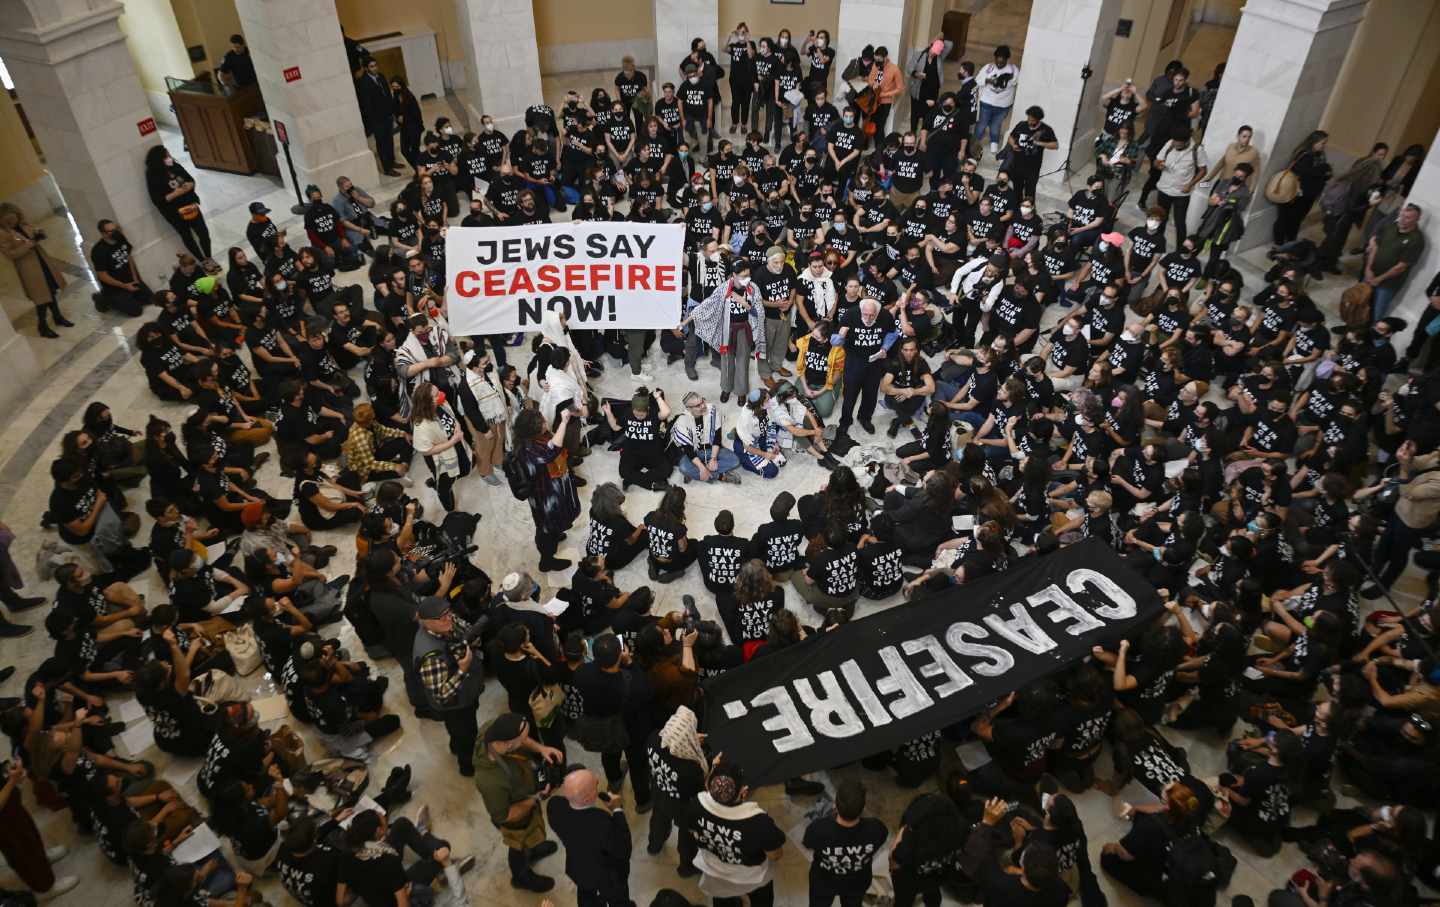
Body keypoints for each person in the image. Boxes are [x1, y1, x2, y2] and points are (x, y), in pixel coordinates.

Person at [474, 712, 565, 892]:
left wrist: (541, 749)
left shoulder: (493, 729)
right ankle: (521, 877)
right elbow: (503, 816)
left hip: (526, 794)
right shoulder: (490, 780)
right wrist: (536, 799)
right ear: (509, 744)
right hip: (516, 818)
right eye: (521, 740)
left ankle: (532, 849)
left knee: (530, 839)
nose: (526, 742)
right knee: (518, 845)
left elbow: (521, 739)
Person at [684, 759, 785, 907]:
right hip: (751, 878)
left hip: (714, 872)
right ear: (743, 792)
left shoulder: (694, 806)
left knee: (722, 899)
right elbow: (775, 855)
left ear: (708, 785)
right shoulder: (759, 823)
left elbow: (692, 832)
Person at [413, 596, 486, 775]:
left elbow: (466, 630)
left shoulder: (445, 624)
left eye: (448, 613)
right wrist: (462, 669)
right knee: (465, 734)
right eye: (441, 617)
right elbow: (442, 695)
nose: (449, 619)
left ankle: (456, 746)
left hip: (466, 693)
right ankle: (467, 767)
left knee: (460, 731)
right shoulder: (430, 656)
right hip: (455, 704)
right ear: (426, 622)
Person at [546, 768, 634, 907]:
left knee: (586, 895)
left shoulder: (555, 807)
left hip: (580, 870)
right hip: (608, 878)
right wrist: (617, 810)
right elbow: (624, 849)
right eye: (595, 784)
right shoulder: (603, 823)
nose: (598, 780)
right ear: (588, 798)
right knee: (618, 899)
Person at [513, 407, 583, 572]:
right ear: (533, 429)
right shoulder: (529, 449)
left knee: (554, 523)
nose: (546, 423)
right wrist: (564, 422)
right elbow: (552, 451)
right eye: (542, 422)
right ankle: (547, 560)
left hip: (552, 489)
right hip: (544, 496)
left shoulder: (536, 438)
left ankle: (555, 532)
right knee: (545, 528)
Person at [803, 779, 888, 907]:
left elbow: (808, 844)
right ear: (863, 808)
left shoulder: (818, 829)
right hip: (856, 882)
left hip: (824, 881)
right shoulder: (876, 828)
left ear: (835, 805)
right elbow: (881, 839)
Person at [0, 203, 70, 338]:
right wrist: (28, 245)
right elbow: (10, 254)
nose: (13, 222)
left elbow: (34, 234)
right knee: (41, 298)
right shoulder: (3, 234)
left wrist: (40, 234)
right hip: (29, 268)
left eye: (14, 218)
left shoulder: (24, 224)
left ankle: (57, 317)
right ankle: (42, 326)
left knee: (51, 290)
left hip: (42, 261)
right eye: (9, 220)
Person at [144, 145, 212, 263]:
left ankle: (209, 256)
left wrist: (189, 186)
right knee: (187, 236)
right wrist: (176, 193)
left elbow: (190, 180)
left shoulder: (175, 166)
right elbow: (157, 200)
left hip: (190, 205)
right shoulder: (152, 176)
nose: (169, 157)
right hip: (174, 213)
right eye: (166, 155)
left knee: (203, 233)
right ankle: (202, 260)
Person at [411, 380, 471, 512]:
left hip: (456, 446)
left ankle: (438, 482)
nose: (442, 395)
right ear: (428, 402)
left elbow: (453, 418)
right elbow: (426, 451)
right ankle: (445, 499)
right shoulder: (421, 425)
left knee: (464, 469)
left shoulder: (441, 404)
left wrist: (457, 428)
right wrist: (452, 441)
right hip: (440, 458)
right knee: (446, 483)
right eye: (437, 394)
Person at [1365, 202, 1425, 320]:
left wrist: (1378, 279)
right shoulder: (1392, 226)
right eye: (1401, 215)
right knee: (1361, 303)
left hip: (1388, 284)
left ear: (1417, 219)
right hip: (1371, 274)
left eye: (1407, 218)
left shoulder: (1417, 239)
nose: (1402, 220)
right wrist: (1368, 268)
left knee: (1377, 314)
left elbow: (1401, 266)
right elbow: (1375, 246)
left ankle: (1374, 336)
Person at [89, 219, 151, 317]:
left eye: (116, 229)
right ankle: (103, 299)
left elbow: (128, 257)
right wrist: (124, 286)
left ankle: (128, 297)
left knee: (150, 299)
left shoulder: (120, 238)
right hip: (115, 287)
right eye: (112, 231)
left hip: (129, 280)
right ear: (103, 234)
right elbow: (102, 275)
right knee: (136, 311)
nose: (116, 232)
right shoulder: (98, 251)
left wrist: (136, 279)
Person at [357, 57, 400, 176]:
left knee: (389, 140)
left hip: (387, 115)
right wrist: (373, 122)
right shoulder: (364, 82)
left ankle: (392, 161)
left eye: (376, 65)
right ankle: (387, 168)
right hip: (377, 120)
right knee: (382, 143)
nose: (375, 68)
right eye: (371, 66)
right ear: (366, 68)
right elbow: (366, 105)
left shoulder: (381, 76)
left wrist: (392, 112)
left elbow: (387, 94)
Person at [974, 46, 1020, 157]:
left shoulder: (1013, 70)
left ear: (1006, 59)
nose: (999, 64)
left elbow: (1017, 82)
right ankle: (974, 143)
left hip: (1003, 105)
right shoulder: (988, 68)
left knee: (996, 124)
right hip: (987, 102)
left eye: (1002, 62)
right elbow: (978, 81)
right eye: (997, 61)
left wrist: (1007, 79)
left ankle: (994, 143)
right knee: (982, 124)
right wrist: (988, 80)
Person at [1006, 106, 1058, 202]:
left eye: (1032, 120)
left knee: (1030, 193)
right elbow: (1011, 137)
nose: (1030, 122)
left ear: (1038, 120)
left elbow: (1055, 145)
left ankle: (1028, 212)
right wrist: (1013, 145)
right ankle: (1017, 211)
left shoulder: (1046, 129)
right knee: (1017, 190)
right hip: (1017, 164)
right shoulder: (1022, 125)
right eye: (1029, 118)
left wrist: (1039, 143)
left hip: (1032, 168)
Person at [866, 46, 904, 137]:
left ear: (885, 58)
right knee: (870, 122)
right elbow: (870, 79)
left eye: (879, 60)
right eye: (876, 59)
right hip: (873, 99)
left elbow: (900, 88)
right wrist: (873, 84)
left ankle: (879, 147)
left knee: (880, 125)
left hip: (885, 102)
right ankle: (867, 143)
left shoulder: (894, 69)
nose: (877, 62)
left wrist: (885, 94)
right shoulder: (875, 65)